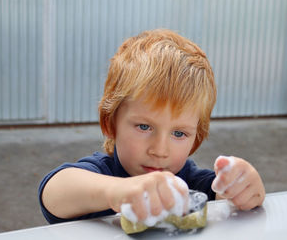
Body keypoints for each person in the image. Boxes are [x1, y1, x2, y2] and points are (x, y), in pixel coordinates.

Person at [38, 29, 265, 224]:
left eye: (179, 133)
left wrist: (241, 189)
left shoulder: (193, 185)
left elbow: (224, 206)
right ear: (110, 122)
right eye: (144, 127)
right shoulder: (101, 173)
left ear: (195, 139)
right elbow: (53, 191)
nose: (160, 150)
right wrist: (116, 192)